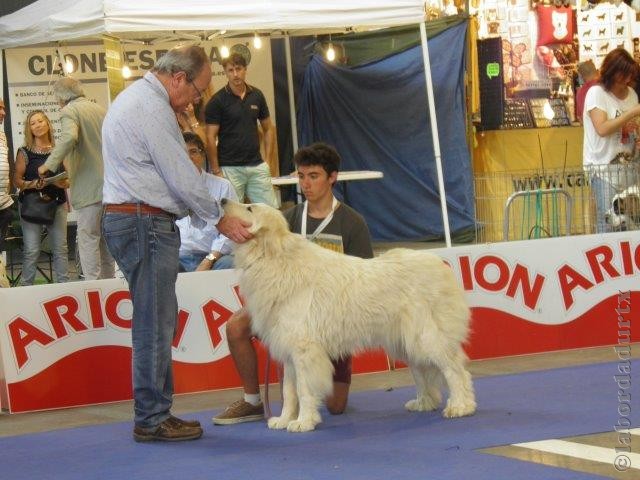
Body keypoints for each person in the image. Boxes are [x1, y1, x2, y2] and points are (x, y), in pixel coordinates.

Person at [101, 45, 252, 443]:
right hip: (142, 222)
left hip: (134, 220)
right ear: (178, 78)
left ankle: (156, 412)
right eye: (198, 91)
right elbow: (182, 175)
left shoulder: (137, 99)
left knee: (155, 320)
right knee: (154, 324)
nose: (197, 100)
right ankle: (151, 417)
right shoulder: (151, 108)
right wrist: (220, 217)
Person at [213, 142, 373, 425]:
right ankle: (252, 401)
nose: (306, 184)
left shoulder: (352, 222)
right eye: (301, 176)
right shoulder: (286, 218)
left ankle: (307, 396)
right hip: (285, 306)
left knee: (336, 406)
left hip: (330, 314)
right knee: (237, 325)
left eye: (313, 176)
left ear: (332, 177)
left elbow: (364, 280)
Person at [37, 77, 115, 281]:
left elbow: (70, 137)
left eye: (56, 98)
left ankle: (93, 288)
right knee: (106, 242)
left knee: (88, 239)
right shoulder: (99, 110)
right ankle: (109, 287)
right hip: (110, 187)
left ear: (62, 96)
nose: (57, 102)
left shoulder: (69, 111)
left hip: (88, 189)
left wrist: (49, 164)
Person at [204, 53, 278, 207]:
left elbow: (268, 129)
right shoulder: (217, 101)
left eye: (238, 69)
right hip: (230, 168)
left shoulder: (257, 95)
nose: (235, 74)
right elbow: (210, 137)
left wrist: (268, 162)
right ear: (225, 72)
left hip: (256, 165)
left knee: (270, 212)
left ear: (245, 69)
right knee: (233, 216)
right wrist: (217, 170)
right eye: (230, 70)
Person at [582, 48, 640, 233]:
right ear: (612, 72)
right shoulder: (596, 93)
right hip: (602, 169)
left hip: (628, 169)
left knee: (630, 222)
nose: (627, 81)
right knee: (608, 221)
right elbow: (602, 128)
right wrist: (631, 113)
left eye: (630, 76)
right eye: (623, 75)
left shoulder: (631, 94)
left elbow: (633, 127)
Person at [12, 110, 69, 285]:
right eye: (32, 123)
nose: (37, 125)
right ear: (29, 128)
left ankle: (64, 288)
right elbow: (17, 181)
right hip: (31, 205)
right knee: (32, 250)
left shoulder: (59, 150)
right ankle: (25, 289)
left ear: (47, 123)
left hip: (57, 203)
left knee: (61, 249)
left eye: (40, 121)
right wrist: (34, 183)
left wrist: (59, 184)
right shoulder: (24, 152)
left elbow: (68, 180)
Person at [177, 132, 236, 272]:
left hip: (213, 257)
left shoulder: (223, 186)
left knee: (230, 264)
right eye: (182, 153)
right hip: (178, 258)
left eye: (193, 152)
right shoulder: (169, 188)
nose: (188, 158)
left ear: (202, 155)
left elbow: (230, 230)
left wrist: (208, 260)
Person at [0, 99, 13, 259]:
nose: (3, 113)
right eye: (0, 108)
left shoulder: (2, 134)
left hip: (3, 203)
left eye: (3, 109)